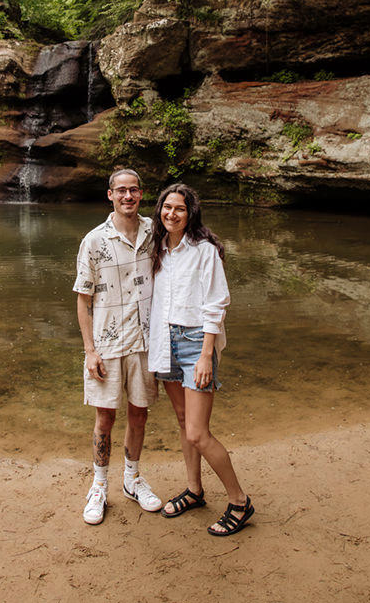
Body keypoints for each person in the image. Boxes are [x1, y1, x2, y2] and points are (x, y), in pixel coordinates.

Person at [148, 182, 254, 537]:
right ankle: (194, 490)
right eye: (166, 207)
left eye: (179, 208)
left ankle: (240, 501)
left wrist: (206, 354)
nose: (171, 214)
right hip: (166, 341)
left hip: (196, 342)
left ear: (190, 213)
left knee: (198, 433)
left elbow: (216, 304)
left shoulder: (204, 250)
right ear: (159, 210)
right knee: (182, 422)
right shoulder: (158, 247)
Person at [74, 167, 164, 524]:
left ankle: (132, 478)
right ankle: (98, 486)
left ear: (141, 194)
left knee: (139, 412)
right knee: (105, 417)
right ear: (109, 195)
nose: (128, 196)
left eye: (134, 190)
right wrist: (90, 351)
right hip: (107, 345)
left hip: (144, 341)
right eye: (121, 190)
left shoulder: (154, 233)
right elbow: (83, 300)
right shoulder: (94, 241)